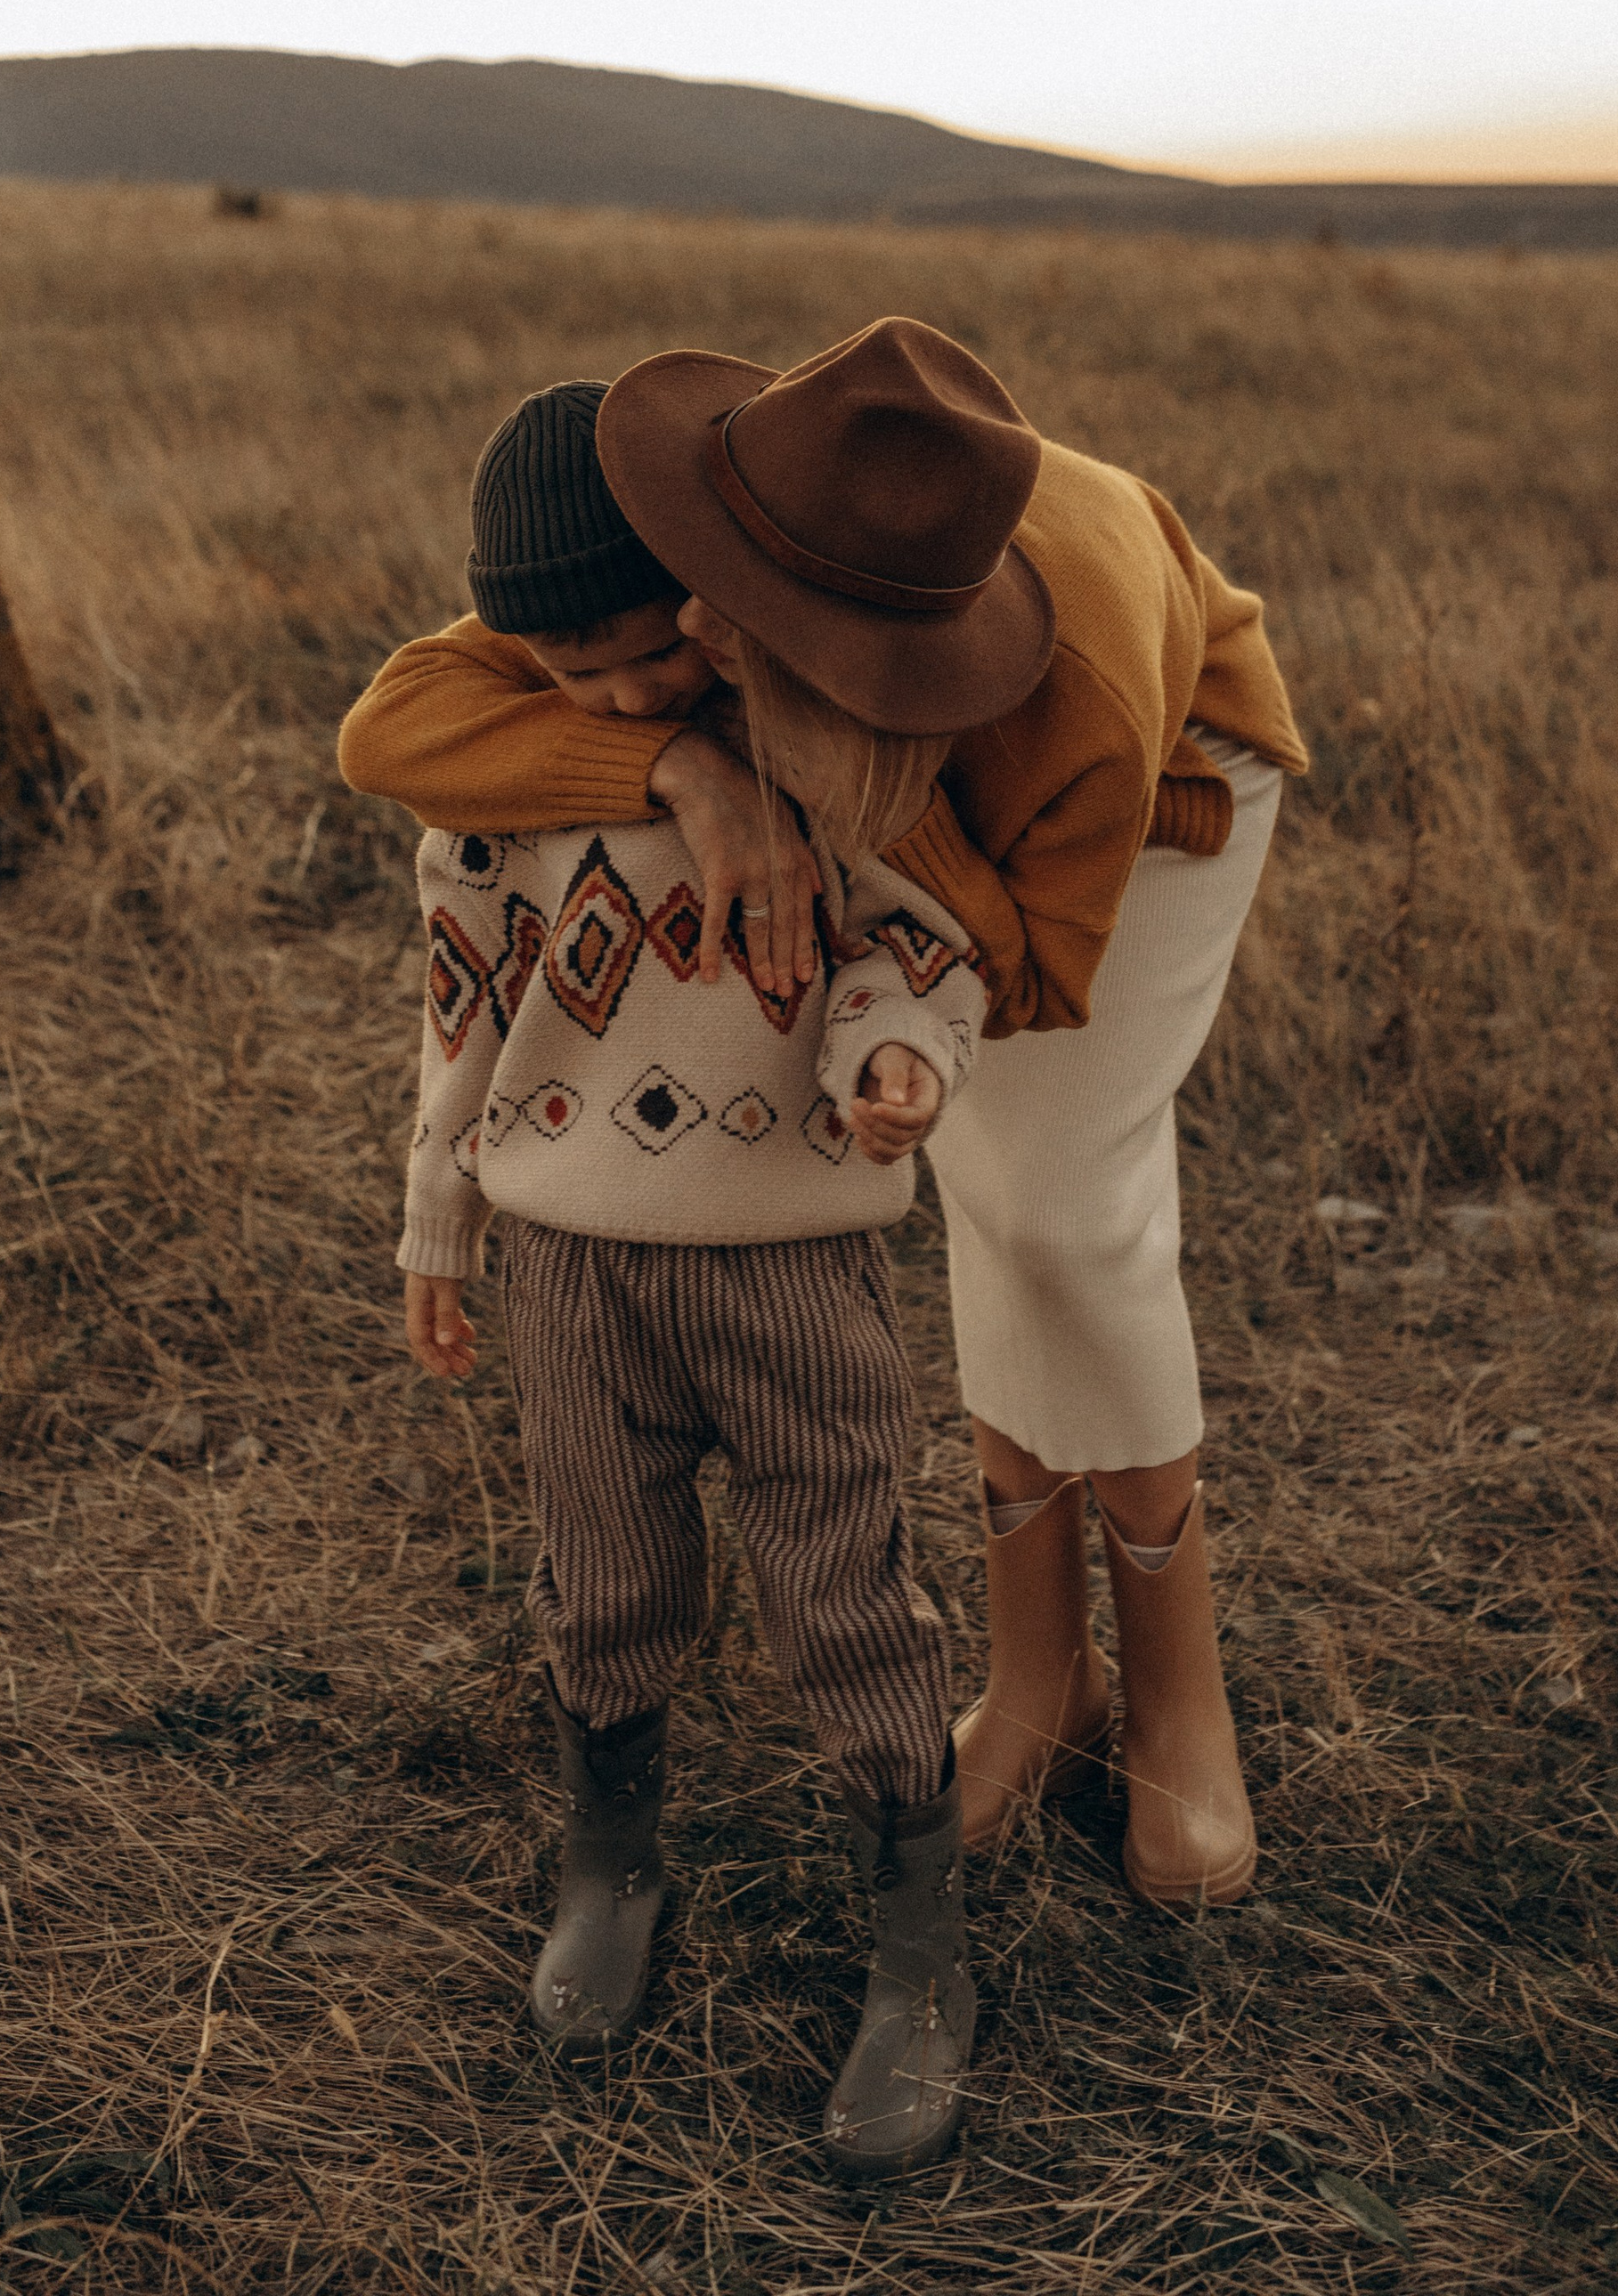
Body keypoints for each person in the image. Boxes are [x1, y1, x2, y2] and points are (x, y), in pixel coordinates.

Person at [341, 323, 1307, 1911]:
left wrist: (819, 754)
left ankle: (1181, 1701)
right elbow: (396, 727)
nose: (688, 659)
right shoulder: (714, 518)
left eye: (738, 648)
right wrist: (687, 767)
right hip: (896, 771)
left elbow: (1020, 971)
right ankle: (1039, 1678)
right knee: (994, 1205)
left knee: (1062, 1206)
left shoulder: (1080, 703)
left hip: (1158, 800)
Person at [389, 381, 991, 2181]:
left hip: (791, 1262)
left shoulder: (822, 752)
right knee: (604, 1570)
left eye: (647, 654)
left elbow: (922, 941)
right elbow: (457, 1016)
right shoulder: (495, 786)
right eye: (572, 671)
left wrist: (899, 1057)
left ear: (707, 601)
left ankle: (917, 1946)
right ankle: (611, 1853)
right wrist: (439, 1216)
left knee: (842, 1589)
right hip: (571, 1264)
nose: (625, 697)